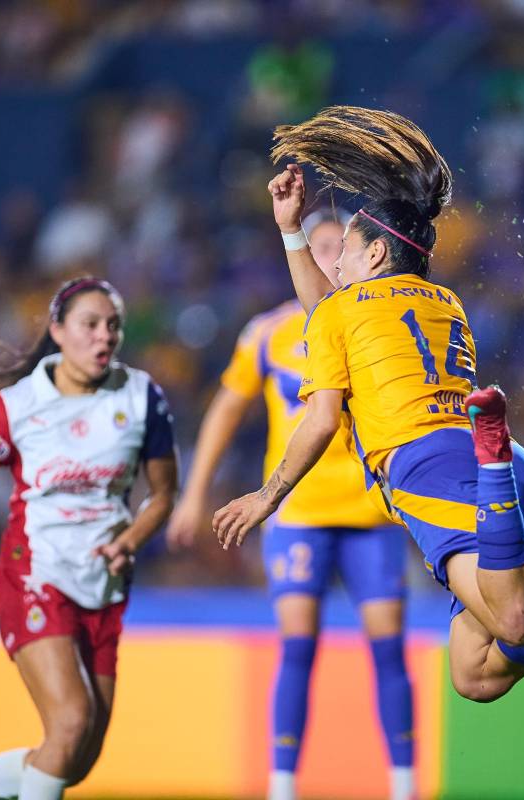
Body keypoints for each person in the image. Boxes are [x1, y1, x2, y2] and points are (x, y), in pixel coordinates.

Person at [213, 106, 524, 704]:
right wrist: (292, 231)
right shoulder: (441, 301)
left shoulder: (340, 314)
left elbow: (323, 415)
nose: (336, 260)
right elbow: (327, 305)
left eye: (344, 248)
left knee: (515, 625)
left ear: (374, 256)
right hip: (495, 473)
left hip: (435, 474)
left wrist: (267, 495)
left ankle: (500, 466)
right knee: (475, 676)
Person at [168, 209, 416, 800]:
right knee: (298, 645)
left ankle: (404, 785)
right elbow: (226, 411)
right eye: (319, 244)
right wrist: (192, 496)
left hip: (370, 514)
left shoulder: (379, 325)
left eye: (341, 245)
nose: (330, 255)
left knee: (388, 648)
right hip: (297, 513)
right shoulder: (267, 334)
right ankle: (283, 787)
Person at [0, 277, 179, 800]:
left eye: (113, 326)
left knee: (76, 757)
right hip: (34, 571)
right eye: (91, 325)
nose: (105, 337)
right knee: (72, 721)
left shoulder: (142, 397)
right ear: (57, 330)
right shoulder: (18, 406)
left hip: (104, 582)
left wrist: (130, 539)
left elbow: (164, 494)